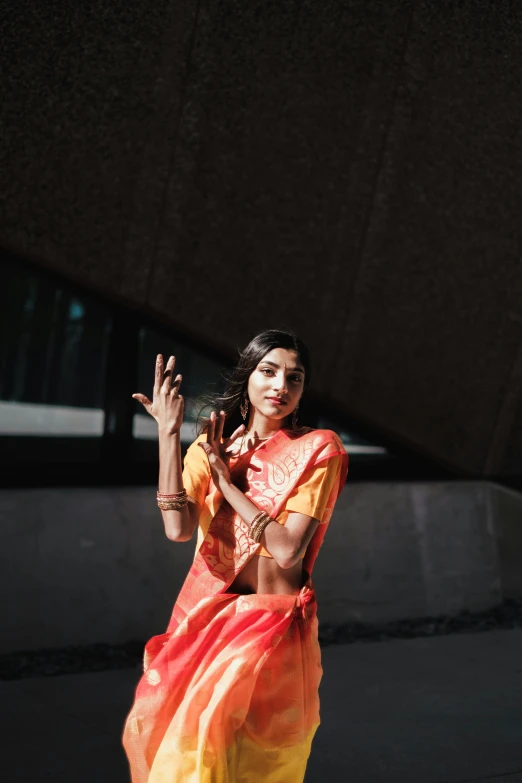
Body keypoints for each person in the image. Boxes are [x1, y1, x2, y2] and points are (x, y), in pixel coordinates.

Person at [122, 329, 348, 783]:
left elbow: (287, 549)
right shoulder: (211, 448)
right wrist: (169, 434)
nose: (280, 386)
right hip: (211, 624)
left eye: (294, 377)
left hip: (274, 630)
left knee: (258, 766)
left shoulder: (318, 449)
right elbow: (178, 528)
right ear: (248, 377)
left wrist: (228, 487)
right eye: (268, 371)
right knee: (190, 764)